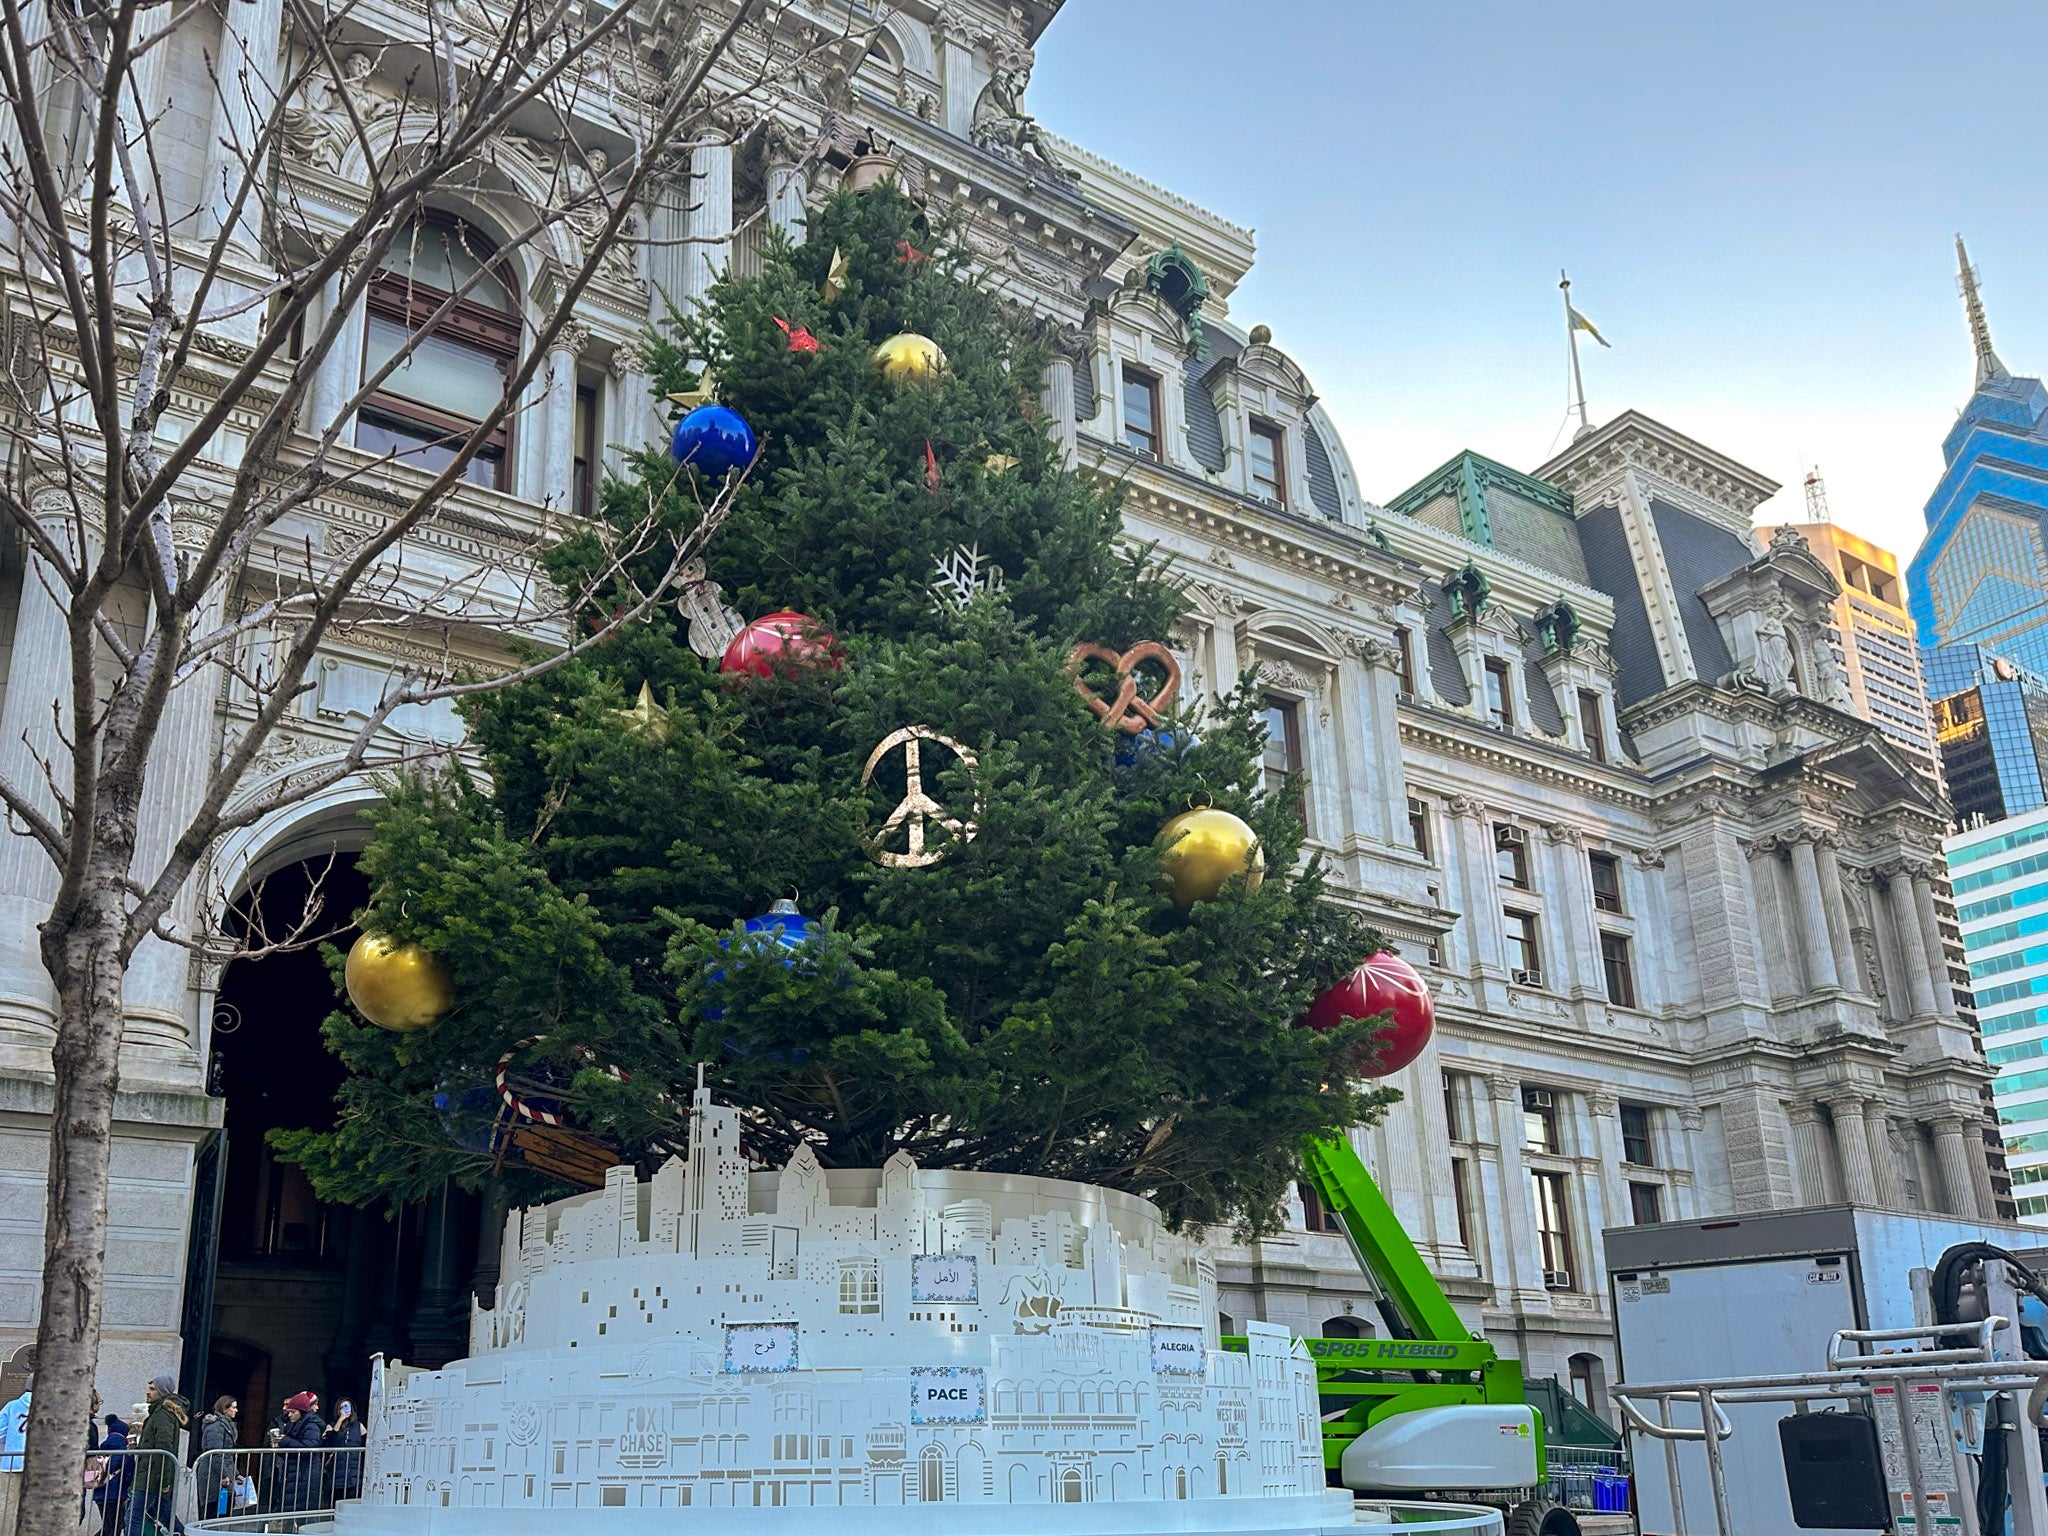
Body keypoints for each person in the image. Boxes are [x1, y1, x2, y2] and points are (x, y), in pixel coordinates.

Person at [126, 1376, 187, 1536]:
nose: (148, 1392)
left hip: (151, 1477)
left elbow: (164, 1448)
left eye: (153, 1389)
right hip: (151, 1475)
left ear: (162, 1391)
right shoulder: (159, 1412)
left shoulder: (162, 1414)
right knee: (164, 1515)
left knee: (133, 1517)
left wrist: (163, 1481)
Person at [272, 1393, 327, 1514]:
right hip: (293, 1472)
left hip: (305, 1473)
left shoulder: (312, 1425)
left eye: (293, 1411)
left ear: (301, 1411)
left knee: (304, 1512)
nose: (289, 1414)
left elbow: (309, 1447)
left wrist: (285, 1441)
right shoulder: (293, 1424)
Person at [193, 1397, 239, 1518]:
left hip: (223, 1472)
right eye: (233, 1407)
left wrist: (236, 1474)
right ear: (225, 1409)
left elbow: (228, 1454)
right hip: (213, 1474)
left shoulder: (227, 1425)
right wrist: (224, 1475)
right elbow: (215, 1452)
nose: (236, 1410)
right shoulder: (216, 1426)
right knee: (214, 1511)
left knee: (224, 1510)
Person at [91, 1414, 131, 1536]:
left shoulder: (103, 1447)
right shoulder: (122, 1448)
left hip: (101, 1493)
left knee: (109, 1526)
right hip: (115, 1494)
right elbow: (128, 1471)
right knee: (114, 1527)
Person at [323, 1400, 364, 1502]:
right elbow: (331, 1441)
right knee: (337, 1498)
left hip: (354, 1469)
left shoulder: (358, 1425)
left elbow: (366, 1441)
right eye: (342, 1407)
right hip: (337, 1469)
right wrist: (340, 1420)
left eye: (347, 1407)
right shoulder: (331, 1425)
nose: (345, 1410)